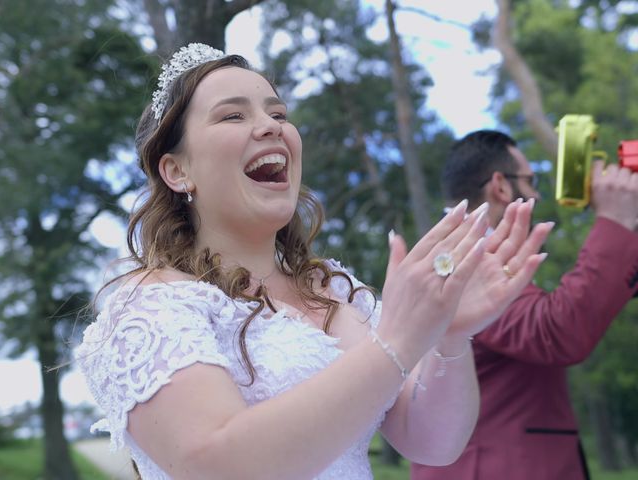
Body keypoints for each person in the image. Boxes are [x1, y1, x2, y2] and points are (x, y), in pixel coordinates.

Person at [76, 45, 550, 480]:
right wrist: (398, 342)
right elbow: (217, 465)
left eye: (277, 112)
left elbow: (433, 443)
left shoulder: (336, 291)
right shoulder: (148, 306)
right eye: (232, 116)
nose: (270, 126)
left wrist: (449, 336)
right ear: (177, 170)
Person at [411, 130, 638, 480]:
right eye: (530, 182)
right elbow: (555, 331)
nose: (536, 194)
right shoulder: (458, 258)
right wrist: (613, 220)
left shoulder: (466, 251)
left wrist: (624, 225)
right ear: (501, 186)